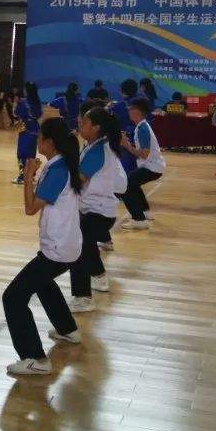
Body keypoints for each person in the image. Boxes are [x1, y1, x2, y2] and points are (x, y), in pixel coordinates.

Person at [2, 117, 82, 375]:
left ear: (50, 142)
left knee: (13, 297)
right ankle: (67, 329)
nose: (37, 142)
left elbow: (30, 208)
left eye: (40, 138)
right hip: (65, 245)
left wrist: (27, 177)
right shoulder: (60, 166)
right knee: (43, 282)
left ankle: (35, 358)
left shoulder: (58, 171)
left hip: (58, 248)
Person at [67, 107, 127, 313]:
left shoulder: (99, 150)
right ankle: (100, 278)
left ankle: (83, 297)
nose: (80, 126)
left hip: (99, 211)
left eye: (84, 123)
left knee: (78, 245)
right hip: (96, 208)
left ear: (96, 128)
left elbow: (78, 180)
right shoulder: (93, 146)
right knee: (85, 243)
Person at [119, 98, 166, 229]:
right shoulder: (141, 126)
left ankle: (139, 219)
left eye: (130, 109)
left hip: (152, 167)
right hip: (152, 166)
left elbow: (144, 154)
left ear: (138, 112)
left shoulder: (142, 129)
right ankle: (145, 212)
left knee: (125, 184)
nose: (128, 111)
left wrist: (126, 145)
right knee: (133, 183)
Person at [12, 82, 43, 184]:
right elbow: (39, 115)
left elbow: (15, 113)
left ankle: (22, 177)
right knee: (31, 154)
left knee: (22, 154)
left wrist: (15, 103)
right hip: (35, 130)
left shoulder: (23, 102)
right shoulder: (37, 102)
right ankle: (31, 175)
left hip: (26, 130)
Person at [108, 79, 139, 174]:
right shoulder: (140, 104)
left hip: (124, 139)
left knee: (124, 169)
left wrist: (108, 108)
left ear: (122, 90)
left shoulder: (119, 106)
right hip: (137, 139)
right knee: (133, 168)